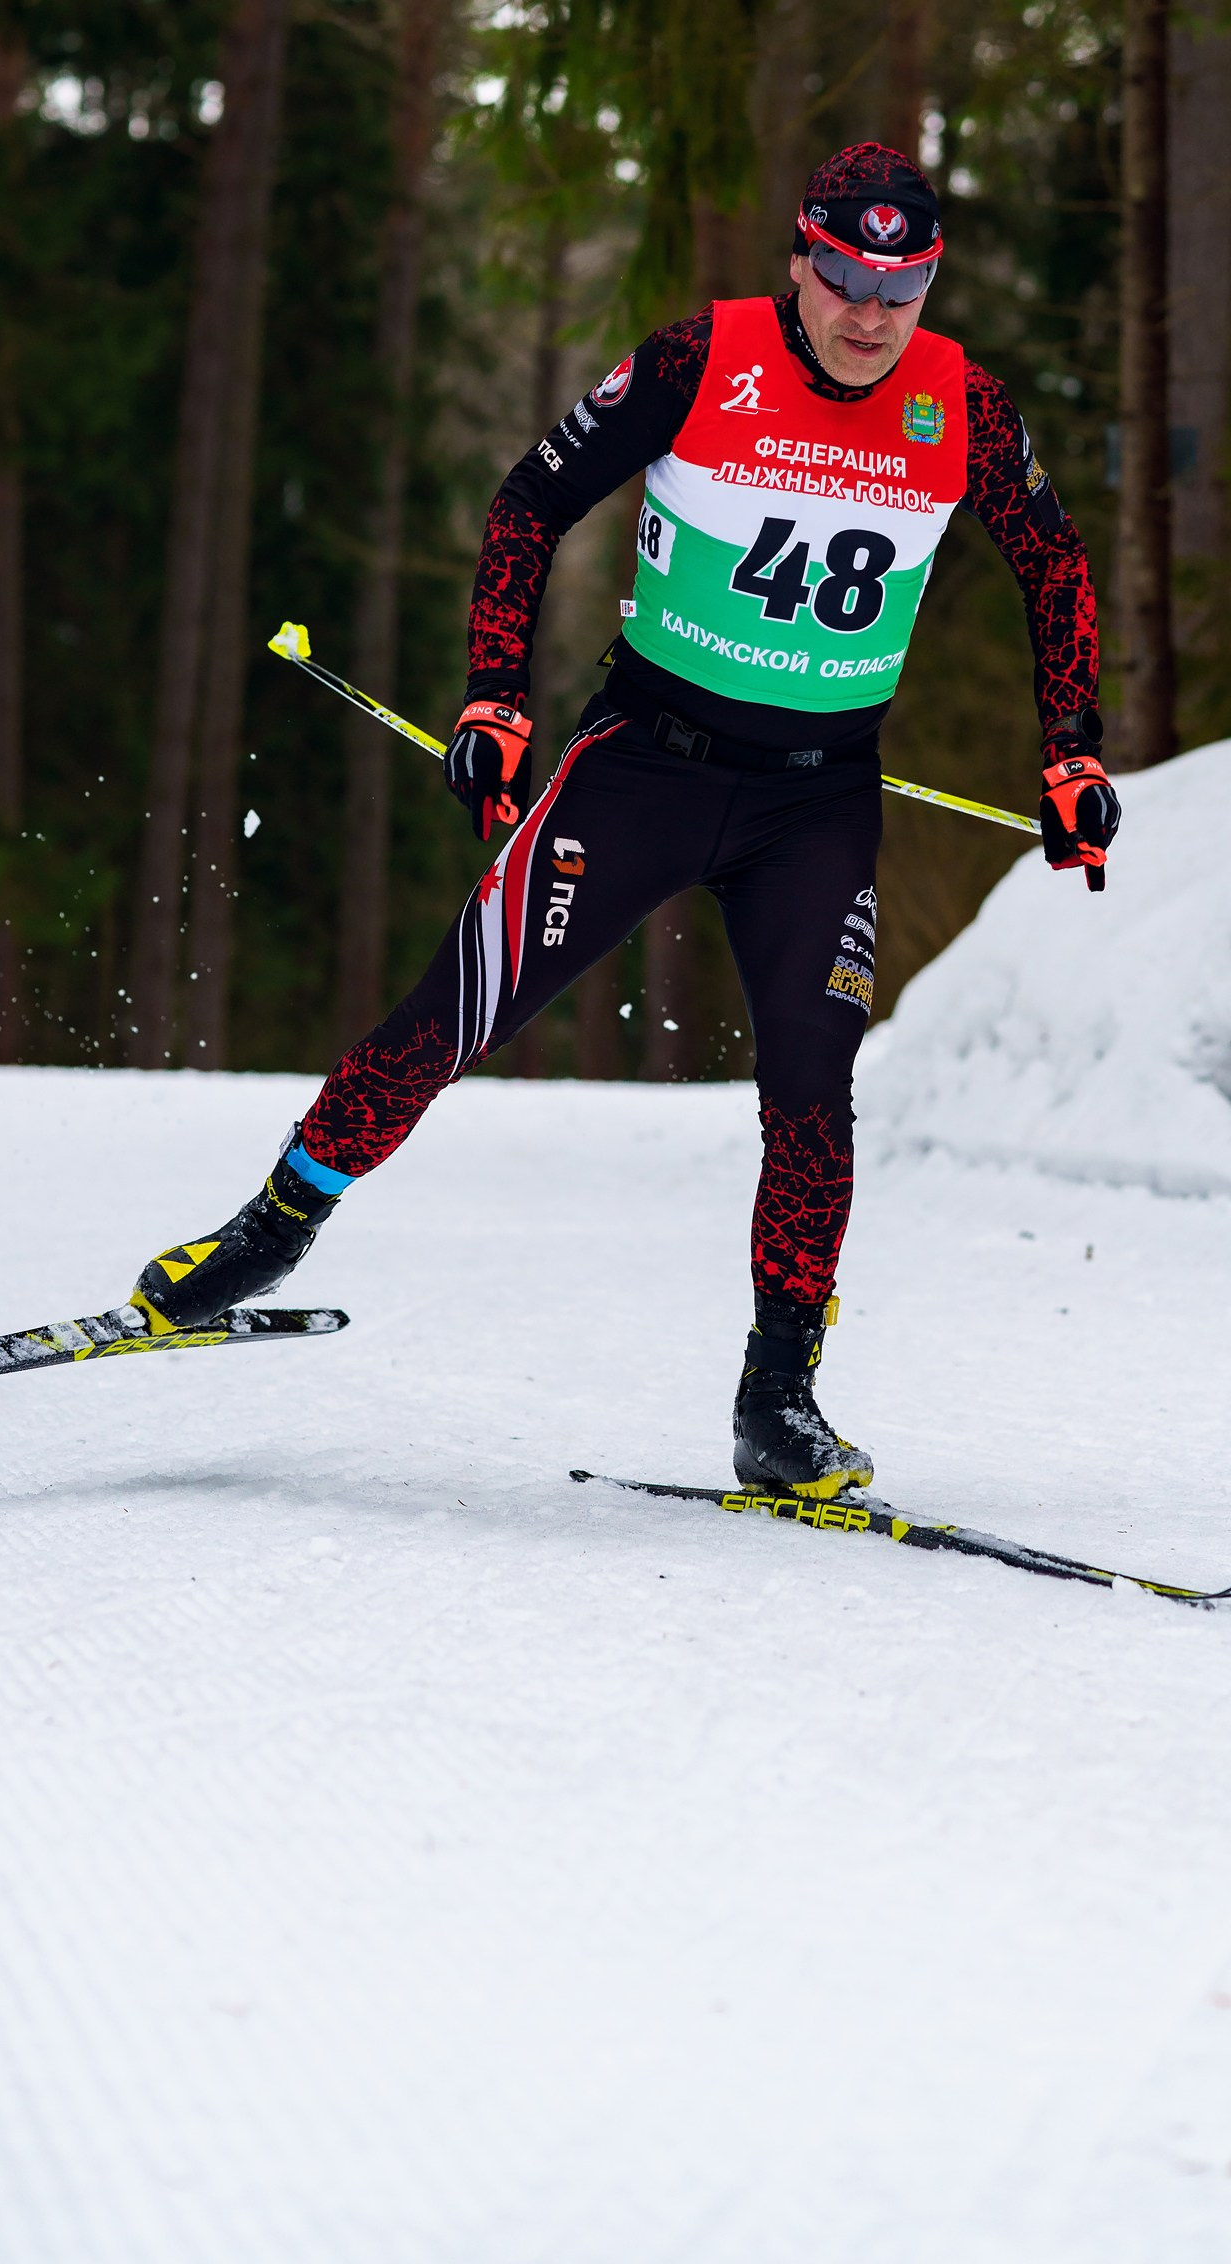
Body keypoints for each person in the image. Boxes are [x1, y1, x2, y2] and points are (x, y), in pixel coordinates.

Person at [133, 141, 1119, 1498]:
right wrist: (495, 698)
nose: (870, 313)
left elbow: (1055, 565)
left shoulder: (964, 406)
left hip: (817, 799)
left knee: (814, 1096)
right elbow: (529, 501)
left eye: (903, 287)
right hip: (647, 765)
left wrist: (1073, 753)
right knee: (459, 1009)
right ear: (800, 259)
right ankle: (273, 1227)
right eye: (845, 276)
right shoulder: (699, 360)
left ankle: (779, 1402)